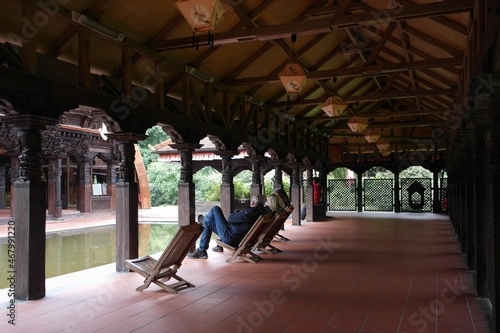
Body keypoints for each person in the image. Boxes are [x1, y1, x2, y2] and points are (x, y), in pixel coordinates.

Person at [188, 193, 268, 259]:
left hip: (231, 238)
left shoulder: (249, 213)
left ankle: (202, 247)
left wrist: (239, 212)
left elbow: (230, 218)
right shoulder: (263, 213)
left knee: (215, 209)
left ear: (253, 203)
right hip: (240, 237)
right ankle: (204, 222)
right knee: (208, 221)